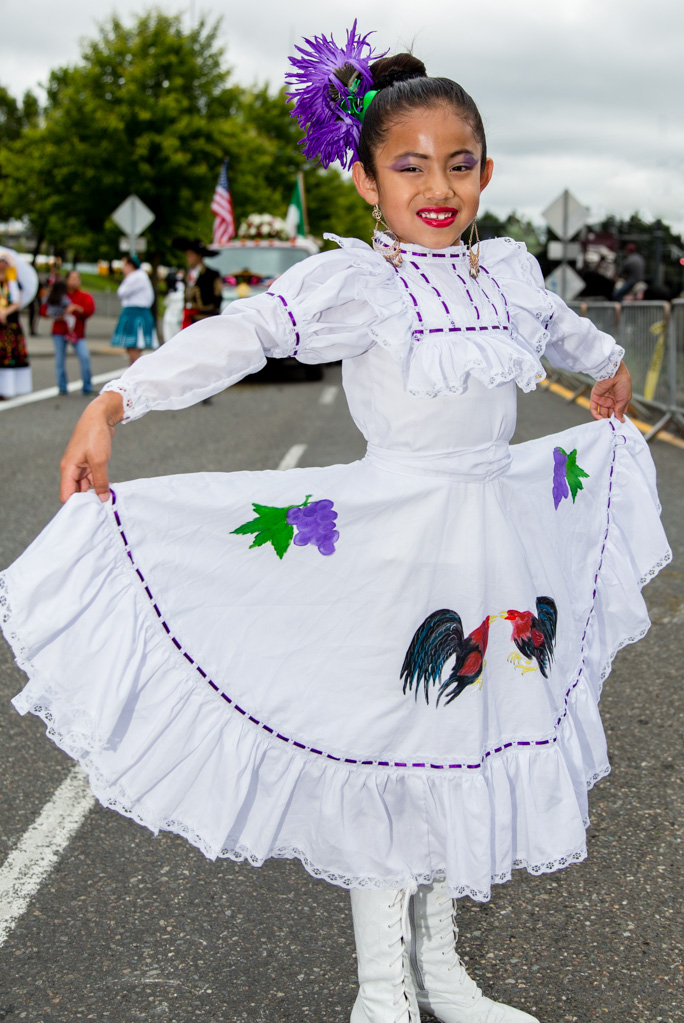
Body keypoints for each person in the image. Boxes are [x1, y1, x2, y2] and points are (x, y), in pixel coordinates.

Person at [0, 25, 670, 1023]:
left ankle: (444, 969)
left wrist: (612, 374)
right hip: (390, 550)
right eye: (408, 166)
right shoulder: (362, 284)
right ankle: (381, 985)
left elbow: (577, 343)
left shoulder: (512, 277)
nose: (436, 185)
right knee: (391, 751)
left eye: (457, 164)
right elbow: (244, 336)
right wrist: (116, 401)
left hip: (498, 549)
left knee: (469, 744)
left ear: (488, 172)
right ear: (365, 180)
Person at [42, 269, 95, 395]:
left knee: (85, 357)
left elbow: (89, 310)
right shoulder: (58, 293)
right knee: (60, 360)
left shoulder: (84, 295)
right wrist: (56, 315)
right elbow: (44, 310)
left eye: (77, 278)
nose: (75, 281)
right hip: (59, 331)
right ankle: (62, 387)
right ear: (66, 280)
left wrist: (76, 308)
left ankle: (87, 387)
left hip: (77, 333)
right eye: (72, 278)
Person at [0, 246, 36, 399]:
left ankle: (6, 389)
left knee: (8, 356)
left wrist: (4, 312)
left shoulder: (14, 283)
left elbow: (16, 302)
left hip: (9, 325)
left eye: (4, 262)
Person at [111, 254, 158, 365]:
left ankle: (138, 377)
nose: (123, 268)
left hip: (136, 314)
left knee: (134, 350)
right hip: (135, 313)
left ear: (130, 265)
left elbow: (121, 292)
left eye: (124, 265)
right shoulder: (139, 276)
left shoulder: (137, 277)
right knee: (131, 349)